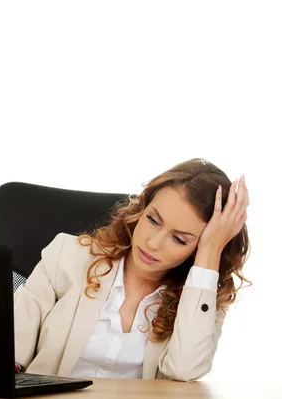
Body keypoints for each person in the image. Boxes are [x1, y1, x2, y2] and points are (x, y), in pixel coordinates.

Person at [13, 158, 250, 381]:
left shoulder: (202, 301)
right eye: (153, 220)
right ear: (142, 208)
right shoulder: (67, 256)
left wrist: (210, 252)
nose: (153, 243)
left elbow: (183, 370)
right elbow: (9, 345)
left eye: (179, 239)